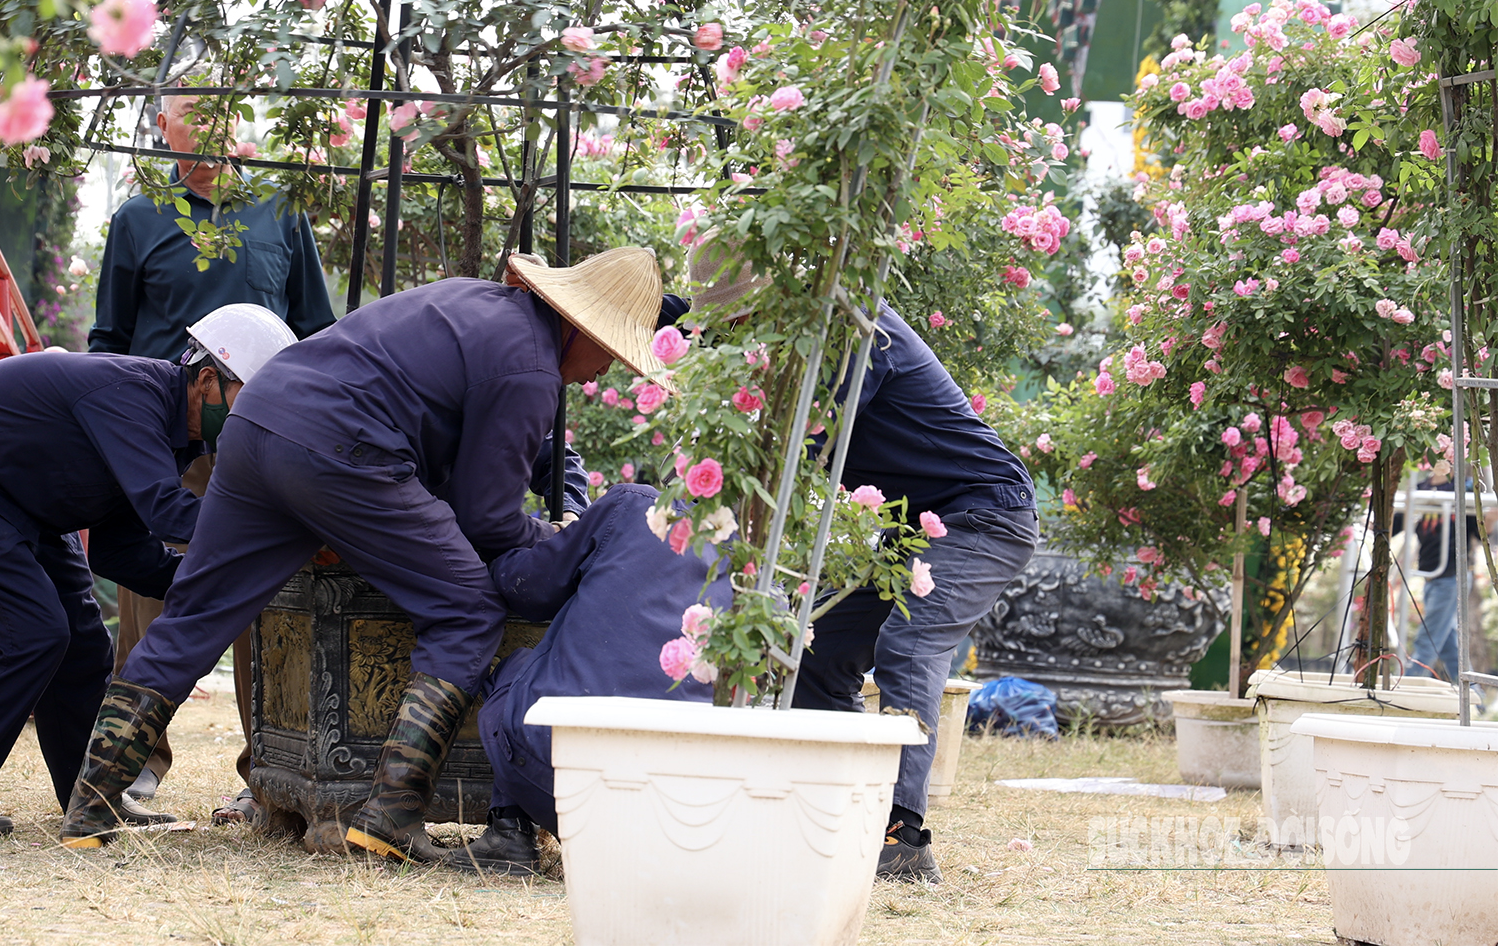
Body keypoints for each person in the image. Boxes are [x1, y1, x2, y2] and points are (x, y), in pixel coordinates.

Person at [57, 247, 666, 855]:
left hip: (257, 422)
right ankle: (389, 814)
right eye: (611, 353)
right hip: (339, 448)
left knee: (195, 612)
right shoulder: (530, 367)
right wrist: (554, 538)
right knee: (467, 610)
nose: (605, 373)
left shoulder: (474, 302)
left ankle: (90, 807)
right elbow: (487, 520)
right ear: (581, 328)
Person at [691, 239, 1039, 884]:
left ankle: (901, 835)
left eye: (738, 321)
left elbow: (803, 442)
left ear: (773, 302)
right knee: (820, 653)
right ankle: (847, 809)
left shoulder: (855, 330)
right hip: (909, 531)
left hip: (983, 516)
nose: (733, 338)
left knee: (908, 646)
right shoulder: (799, 336)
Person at [0, 305, 296, 834]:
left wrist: (217, 585)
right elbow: (164, 510)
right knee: (34, 636)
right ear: (207, 381)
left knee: (86, 648)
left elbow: (121, 553)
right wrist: (273, 531)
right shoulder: (133, 396)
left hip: (28, 502)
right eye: (251, 402)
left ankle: (89, 801)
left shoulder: (179, 438)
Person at [88, 91, 336, 813]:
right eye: (185, 112)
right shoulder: (138, 218)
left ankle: (267, 772)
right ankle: (133, 763)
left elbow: (315, 327)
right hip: (166, 440)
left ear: (239, 119)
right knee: (146, 602)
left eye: (216, 109)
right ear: (162, 127)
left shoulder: (280, 211)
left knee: (265, 596)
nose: (202, 124)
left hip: (264, 439)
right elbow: (110, 341)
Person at [441, 482, 733, 875]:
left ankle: (508, 832)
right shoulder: (764, 579)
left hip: (550, 773)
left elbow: (530, 588)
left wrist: (501, 557)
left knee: (517, 666)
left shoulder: (634, 508)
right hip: (674, 814)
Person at [1399, 469, 1483, 679]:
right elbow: (1398, 527)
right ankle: (1475, 698)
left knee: (1427, 639)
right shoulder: (1421, 488)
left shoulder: (1465, 487)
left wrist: (1490, 516)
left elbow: (1481, 532)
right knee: (1448, 646)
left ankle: (1411, 685)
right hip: (1430, 574)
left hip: (1452, 574)